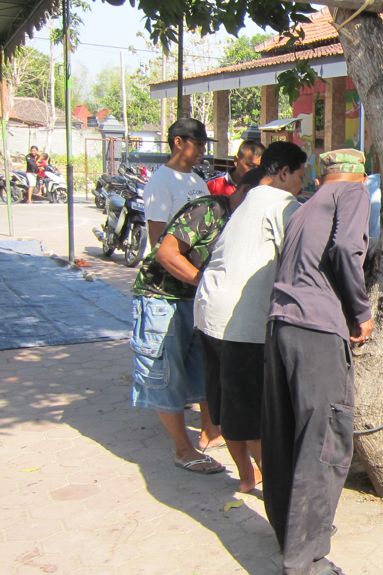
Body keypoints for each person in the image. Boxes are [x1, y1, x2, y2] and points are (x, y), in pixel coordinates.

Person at [262, 149, 374, 575]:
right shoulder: (353, 194)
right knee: (325, 442)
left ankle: (290, 538)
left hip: (279, 326)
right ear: (358, 176)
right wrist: (362, 313)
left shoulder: (305, 207)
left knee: (284, 434)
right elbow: (348, 248)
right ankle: (305, 561)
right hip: (316, 330)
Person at [127, 170, 259, 476]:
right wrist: (203, 282)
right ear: (246, 192)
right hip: (162, 297)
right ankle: (183, 450)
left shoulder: (243, 221)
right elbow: (166, 253)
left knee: (203, 370)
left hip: (197, 302)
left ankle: (210, 433)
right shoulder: (210, 209)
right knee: (165, 374)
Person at [193, 142, 306, 493]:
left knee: (227, 407)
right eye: (302, 175)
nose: (304, 183)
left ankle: (246, 477)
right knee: (251, 414)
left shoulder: (249, 199)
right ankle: (279, 490)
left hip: (208, 311)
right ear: (284, 172)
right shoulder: (285, 205)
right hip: (240, 322)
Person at [141, 117, 223, 452]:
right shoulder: (162, 182)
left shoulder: (196, 181)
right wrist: (194, 275)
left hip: (195, 290)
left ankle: (211, 431)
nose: (203, 151)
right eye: (199, 144)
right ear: (178, 142)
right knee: (168, 368)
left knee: (202, 362)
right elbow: (160, 243)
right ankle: (181, 447)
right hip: (168, 290)